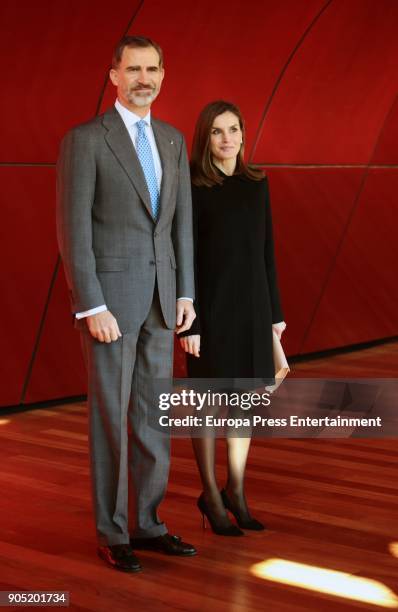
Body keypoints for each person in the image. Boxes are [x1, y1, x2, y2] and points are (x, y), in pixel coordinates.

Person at [56, 36, 197, 572]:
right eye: (133, 68)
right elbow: (73, 230)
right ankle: (113, 531)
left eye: (153, 68)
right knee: (112, 420)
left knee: (153, 418)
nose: (145, 78)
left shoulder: (172, 140)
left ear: (164, 74)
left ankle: (148, 522)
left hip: (164, 302)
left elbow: (181, 223)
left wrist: (186, 293)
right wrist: (91, 306)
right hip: (111, 306)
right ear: (113, 75)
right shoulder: (86, 140)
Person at [179, 100, 286, 536]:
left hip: (254, 308)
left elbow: (267, 253)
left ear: (244, 134)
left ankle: (236, 490)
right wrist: (191, 323)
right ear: (205, 138)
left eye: (234, 130)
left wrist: (275, 316)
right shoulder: (192, 186)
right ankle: (210, 495)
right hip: (209, 311)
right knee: (207, 406)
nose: (228, 139)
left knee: (243, 404)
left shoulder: (256, 184)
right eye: (218, 131)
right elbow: (184, 257)